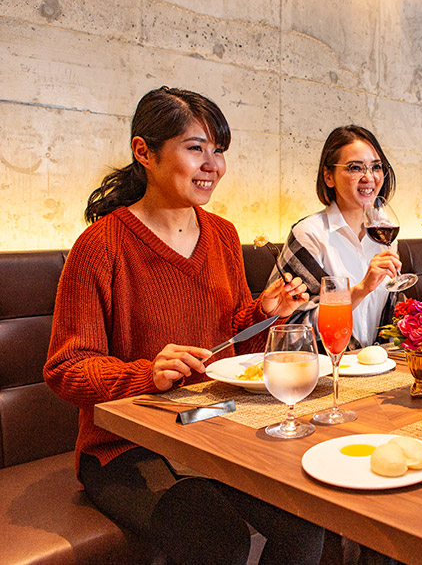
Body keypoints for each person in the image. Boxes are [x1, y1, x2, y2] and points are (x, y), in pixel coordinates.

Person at [43, 86, 324, 565]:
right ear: (143, 152)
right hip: (125, 447)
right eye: (196, 148)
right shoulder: (100, 245)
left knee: (308, 525)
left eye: (219, 152)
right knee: (216, 538)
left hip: (213, 426)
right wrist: (146, 373)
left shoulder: (222, 234)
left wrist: (262, 312)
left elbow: (225, 340)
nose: (212, 165)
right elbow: (66, 368)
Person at [270, 125, 400, 349]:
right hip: (327, 372)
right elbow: (290, 327)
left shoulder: (385, 235)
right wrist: (361, 289)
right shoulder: (309, 234)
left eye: (376, 167)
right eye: (355, 168)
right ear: (328, 176)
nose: (369, 177)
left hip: (380, 367)